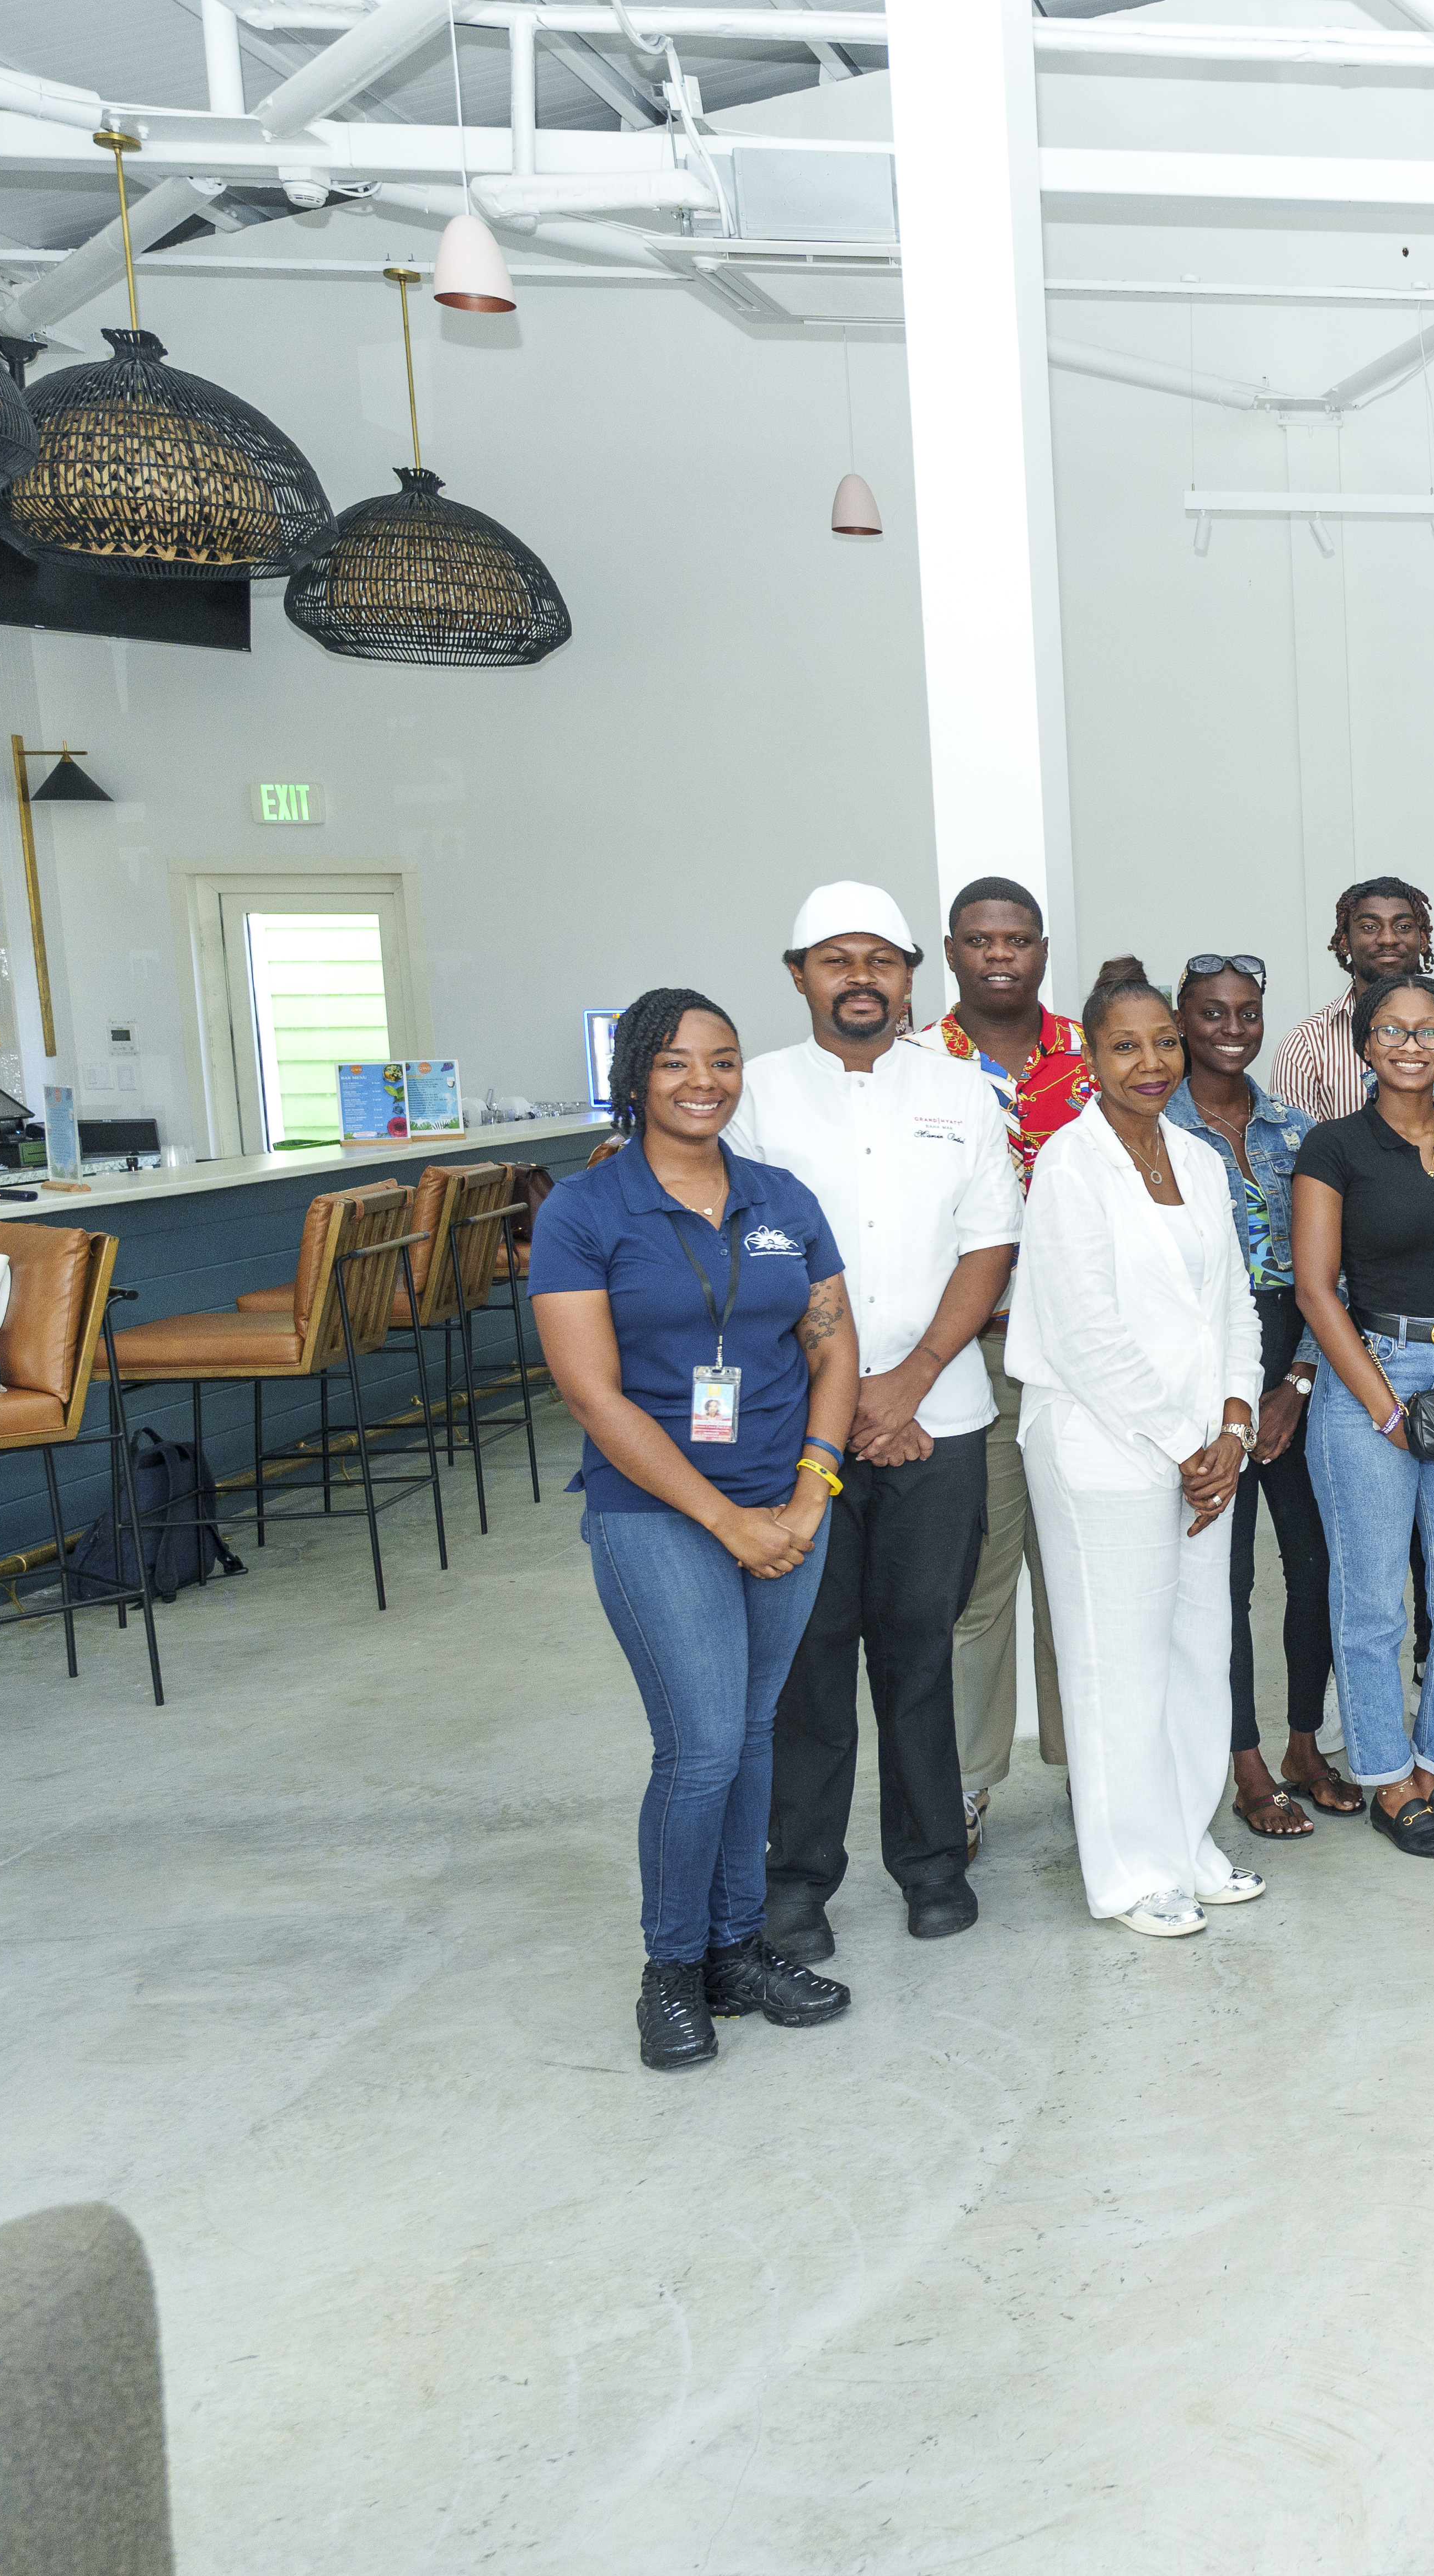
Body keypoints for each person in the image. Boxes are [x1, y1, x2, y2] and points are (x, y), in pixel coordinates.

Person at [534, 988, 857, 2071]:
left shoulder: (778, 1196)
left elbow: (832, 1344)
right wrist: (726, 1517)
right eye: (675, 1062)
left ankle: (735, 1948)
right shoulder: (586, 1213)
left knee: (753, 1730)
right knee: (704, 1741)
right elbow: (595, 1396)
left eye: (721, 1060)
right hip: (657, 1514)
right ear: (636, 1075)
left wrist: (813, 1487)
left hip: (784, 1503)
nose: (704, 1080)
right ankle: (670, 1967)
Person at [725, 884, 1022, 1964]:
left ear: (911, 976)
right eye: (836, 959)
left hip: (938, 1421)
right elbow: (748, 1259)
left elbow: (989, 1244)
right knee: (808, 1659)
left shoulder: (961, 1090)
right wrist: (847, 1403)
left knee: (919, 1651)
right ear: (798, 971)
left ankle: (932, 1861)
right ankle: (797, 1880)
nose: (862, 978)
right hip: (796, 1433)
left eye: (882, 960)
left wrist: (908, 1381)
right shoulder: (752, 1098)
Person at [1012, 964, 1265, 1939]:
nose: (1151, 1061)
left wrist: (1233, 1428)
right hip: (1101, 1450)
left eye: (1164, 1040)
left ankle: (1186, 1838)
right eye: (1126, 1045)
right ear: (1090, 1056)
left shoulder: (1197, 1161)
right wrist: (1185, 1445)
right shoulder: (1070, 1167)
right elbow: (1086, 1336)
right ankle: (1127, 1870)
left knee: (1200, 1650)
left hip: (1208, 1448)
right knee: (1116, 1661)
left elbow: (1234, 1306)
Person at [1293, 972, 1434, 1857]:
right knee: (1373, 1601)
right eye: (1392, 1029)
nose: (1411, 1045)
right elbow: (1316, 1292)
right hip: (1372, 1373)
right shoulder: (1333, 1147)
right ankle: (1388, 1780)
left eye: (1429, 1031)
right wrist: (1387, 1411)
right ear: (1365, 1042)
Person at [905, 877, 1092, 1853]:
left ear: (1043, 948)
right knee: (979, 1578)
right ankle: (969, 1783)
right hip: (967, 1353)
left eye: (1017, 939)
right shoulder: (912, 1069)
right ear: (951, 951)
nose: (999, 957)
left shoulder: (1095, 1059)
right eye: (980, 941)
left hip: (1079, 1354)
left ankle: (1092, 1770)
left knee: (1083, 1570)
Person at [1161, 956, 1340, 1834]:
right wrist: (1235, 1400)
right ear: (1180, 1022)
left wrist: (1297, 1383)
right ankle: (1246, 1761)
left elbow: (1328, 1278)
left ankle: (1308, 1742)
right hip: (1203, 1375)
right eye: (1211, 1014)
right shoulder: (1153, 1133)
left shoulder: (1301, 1134)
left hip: (1297, 1368)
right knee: (1220, 1584)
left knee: (1314, 1570)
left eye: (1246, 1014)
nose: (1231, 1030)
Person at [1270, 876, 1434, 1122]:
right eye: (1370, 927)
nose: (1388, 939)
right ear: (1345, 942)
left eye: (1403, 927)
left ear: (1422, 940)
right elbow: (1299, 1154)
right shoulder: (1305, 1046)